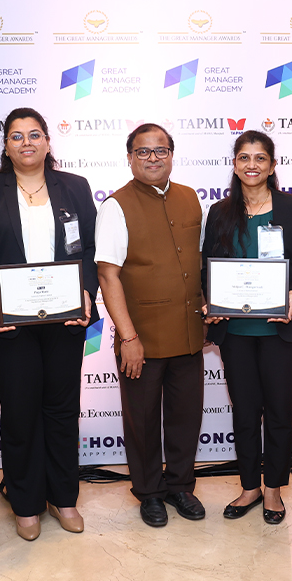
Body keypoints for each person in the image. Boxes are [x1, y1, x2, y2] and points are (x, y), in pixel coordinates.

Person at [0, 108, 98, 541]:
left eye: (34, 135)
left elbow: (90, 249)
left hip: (66, 316)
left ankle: (63, 497)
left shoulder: (75, 187)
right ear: (6, 146)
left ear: (47, 141)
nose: (26, 142)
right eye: (16, 136)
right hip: (11, 320)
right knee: (20, 410)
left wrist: (86, 290)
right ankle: (26, 502)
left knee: (62, 410)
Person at [201, 131, 292, 524]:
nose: (252, 165)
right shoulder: (220, 212)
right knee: (245, 412)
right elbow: (207, 266)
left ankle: (273, 490)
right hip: (235, 332)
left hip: (281, 331)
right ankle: (250, 486)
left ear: (271, 165)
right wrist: (210, 299)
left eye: (260, 158)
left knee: (280, 411)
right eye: (244, 158)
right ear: (235, 164)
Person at [95, 123, 206, 528]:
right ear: (130, 158)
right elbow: (108, 276)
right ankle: (149, 492)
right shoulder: (116, 206)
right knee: (141, 421)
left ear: (172, 155)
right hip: (140, 338)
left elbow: (199, 262)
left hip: (189, 333)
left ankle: (180, 486)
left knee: (185, 417)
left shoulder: (190, 198)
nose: (153, 158)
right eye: (143, 151)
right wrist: (128, 338)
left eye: (161, 150)